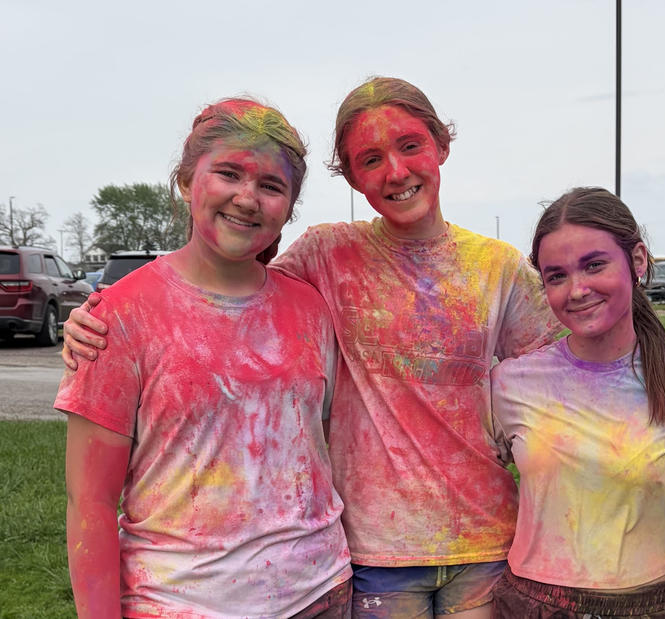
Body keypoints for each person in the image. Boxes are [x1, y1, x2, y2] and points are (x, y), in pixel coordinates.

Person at [63, 77, 563, 618]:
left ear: (441, 145)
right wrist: (96, 312)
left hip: (425, 558)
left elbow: (554, 375)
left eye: (411, 145)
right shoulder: (325, 258)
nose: (395, 171)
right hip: (345, 561)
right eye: (371, 158)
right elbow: (220, 289)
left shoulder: (488, 268)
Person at [58, 99, 353, 617]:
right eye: (228, 173)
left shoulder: (311, 307)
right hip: (179, 602)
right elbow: (91, 505)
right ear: (186, 179)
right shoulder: (118, 317)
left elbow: (318, 445)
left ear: (288, 205)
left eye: (271, 185)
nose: (247, 198)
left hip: (320, 593)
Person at [489, 187, 665, 618]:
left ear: (636, 260)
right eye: (556, 275)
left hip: (645, 605)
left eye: (594, 265)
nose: (577, 289)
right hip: (532, 604)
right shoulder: (512, 384)